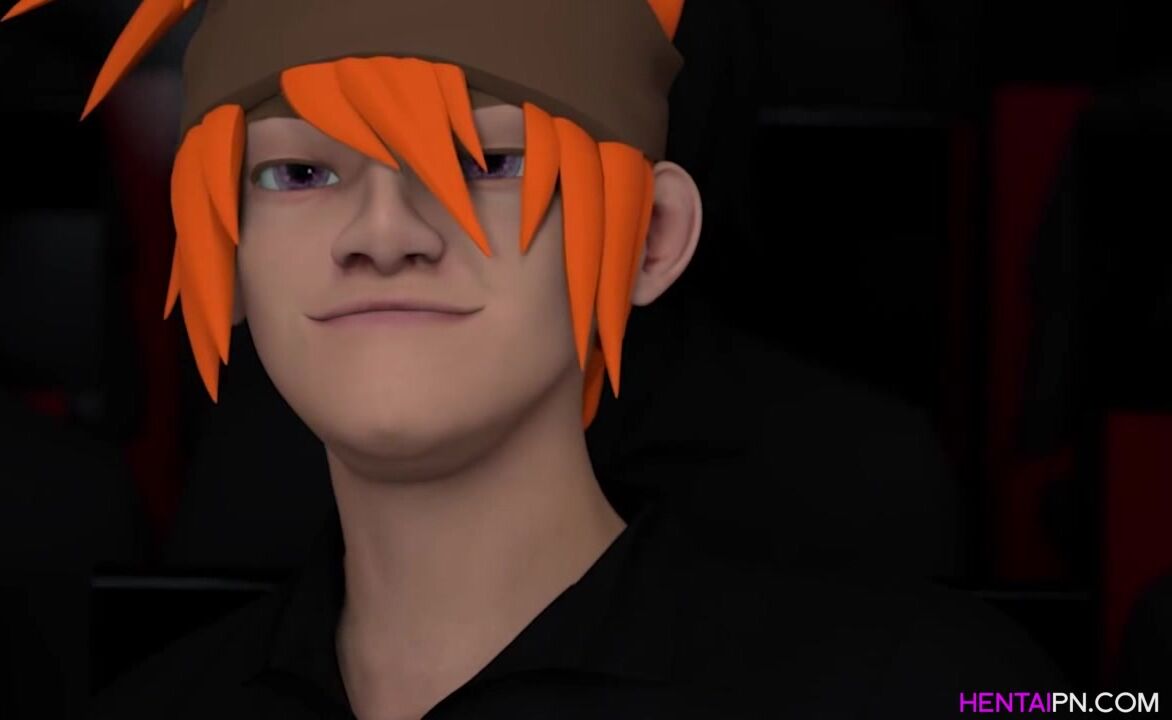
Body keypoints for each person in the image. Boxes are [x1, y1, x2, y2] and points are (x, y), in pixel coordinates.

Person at [4, 0, 1063, 717]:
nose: (384, 233)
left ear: (652, 237)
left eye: (489, 160)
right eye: (298, 174)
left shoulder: (925, 688)